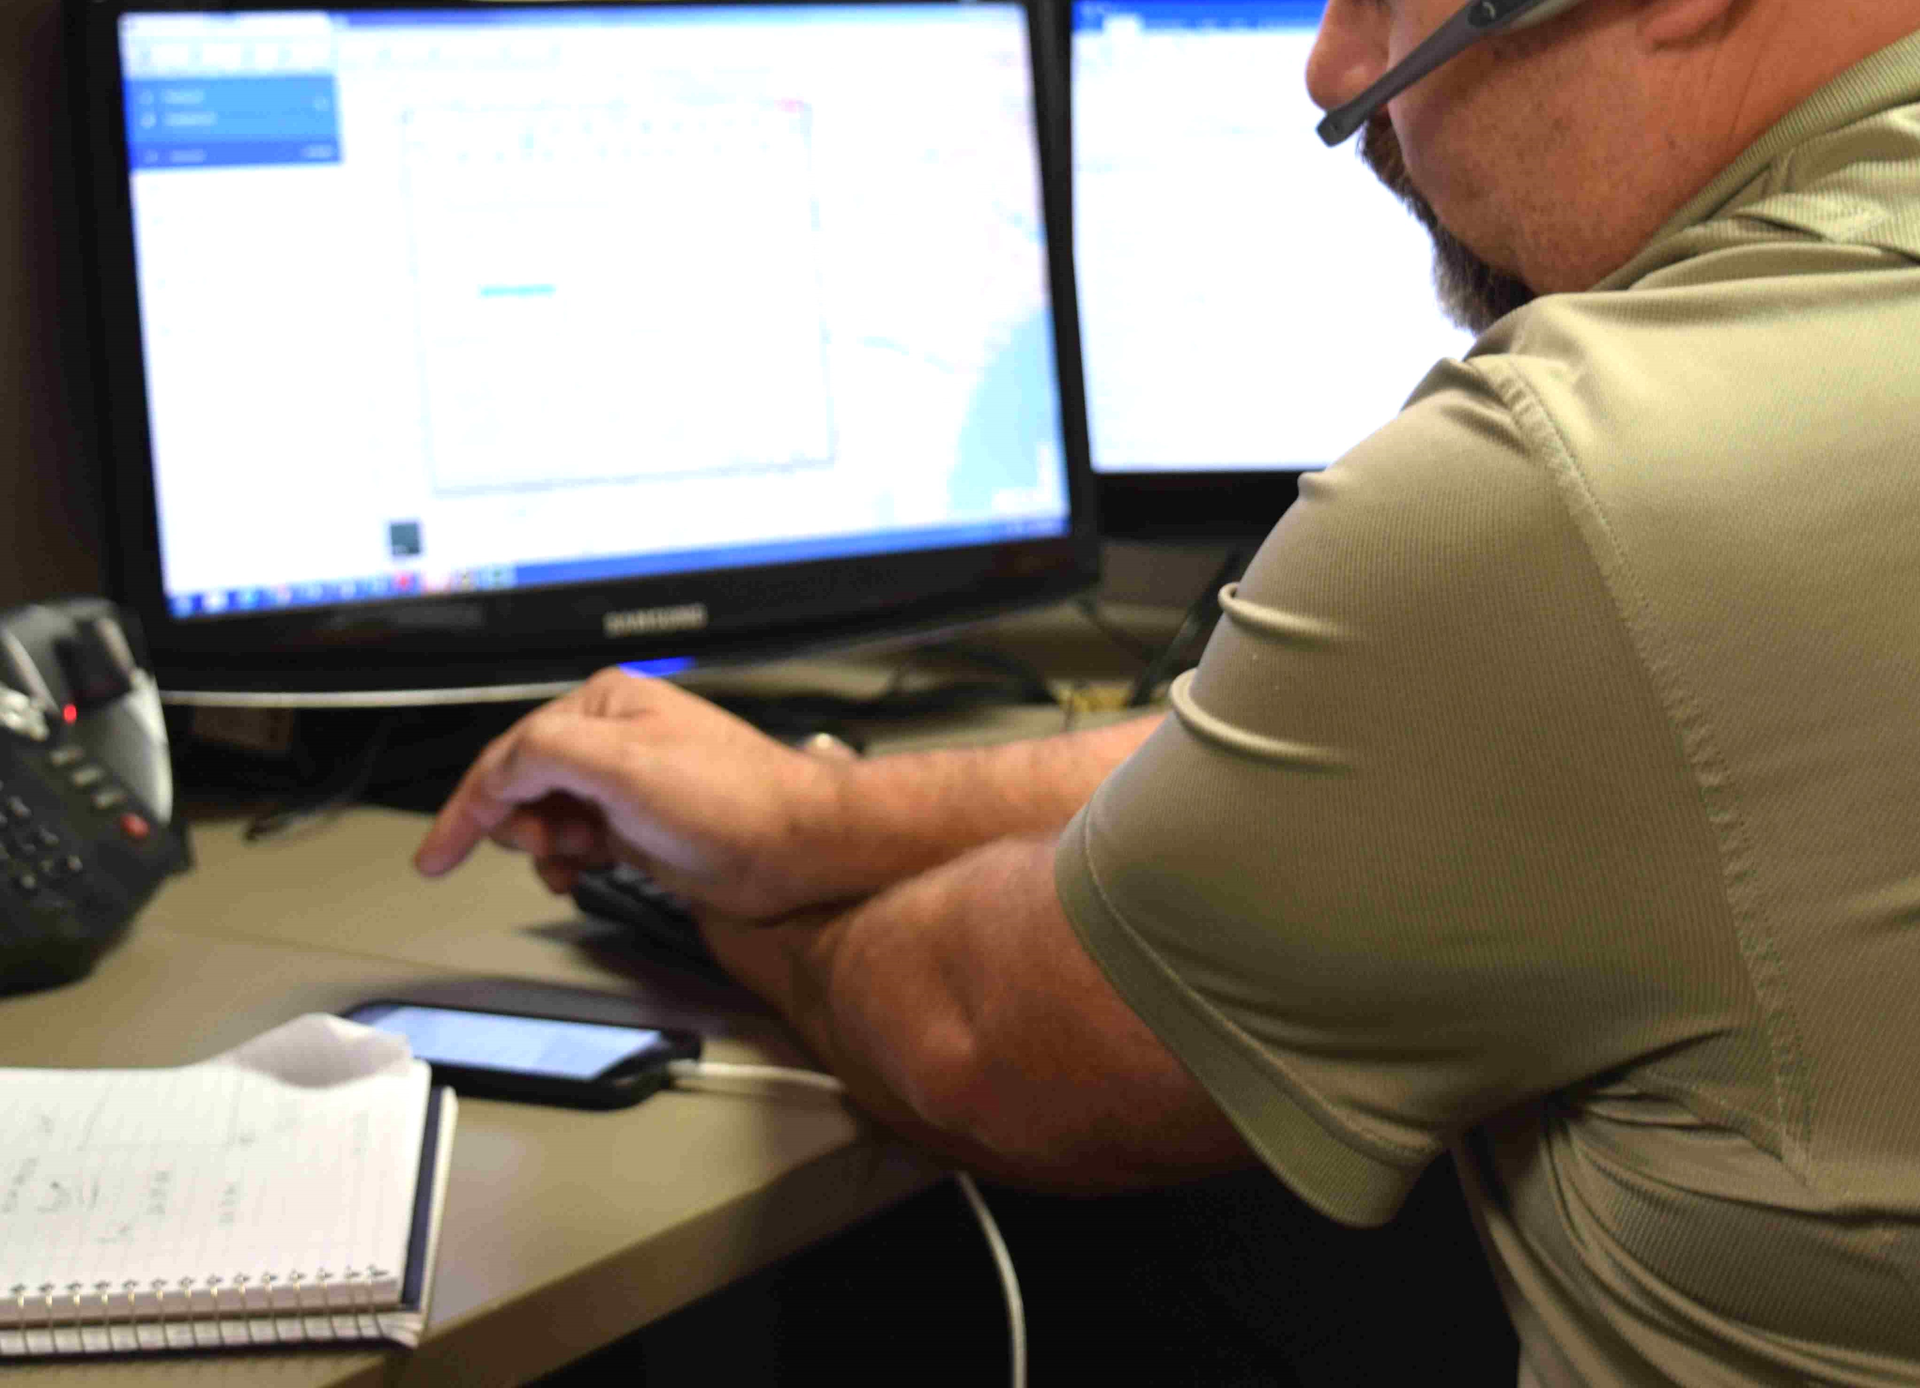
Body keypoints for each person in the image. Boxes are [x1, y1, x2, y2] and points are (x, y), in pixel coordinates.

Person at [415, 0, 1920, 1380]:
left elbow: (983, 1037)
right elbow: (1409, 766)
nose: (1334, 68)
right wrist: (824, 811)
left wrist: (729, 901)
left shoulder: (1575, 480)